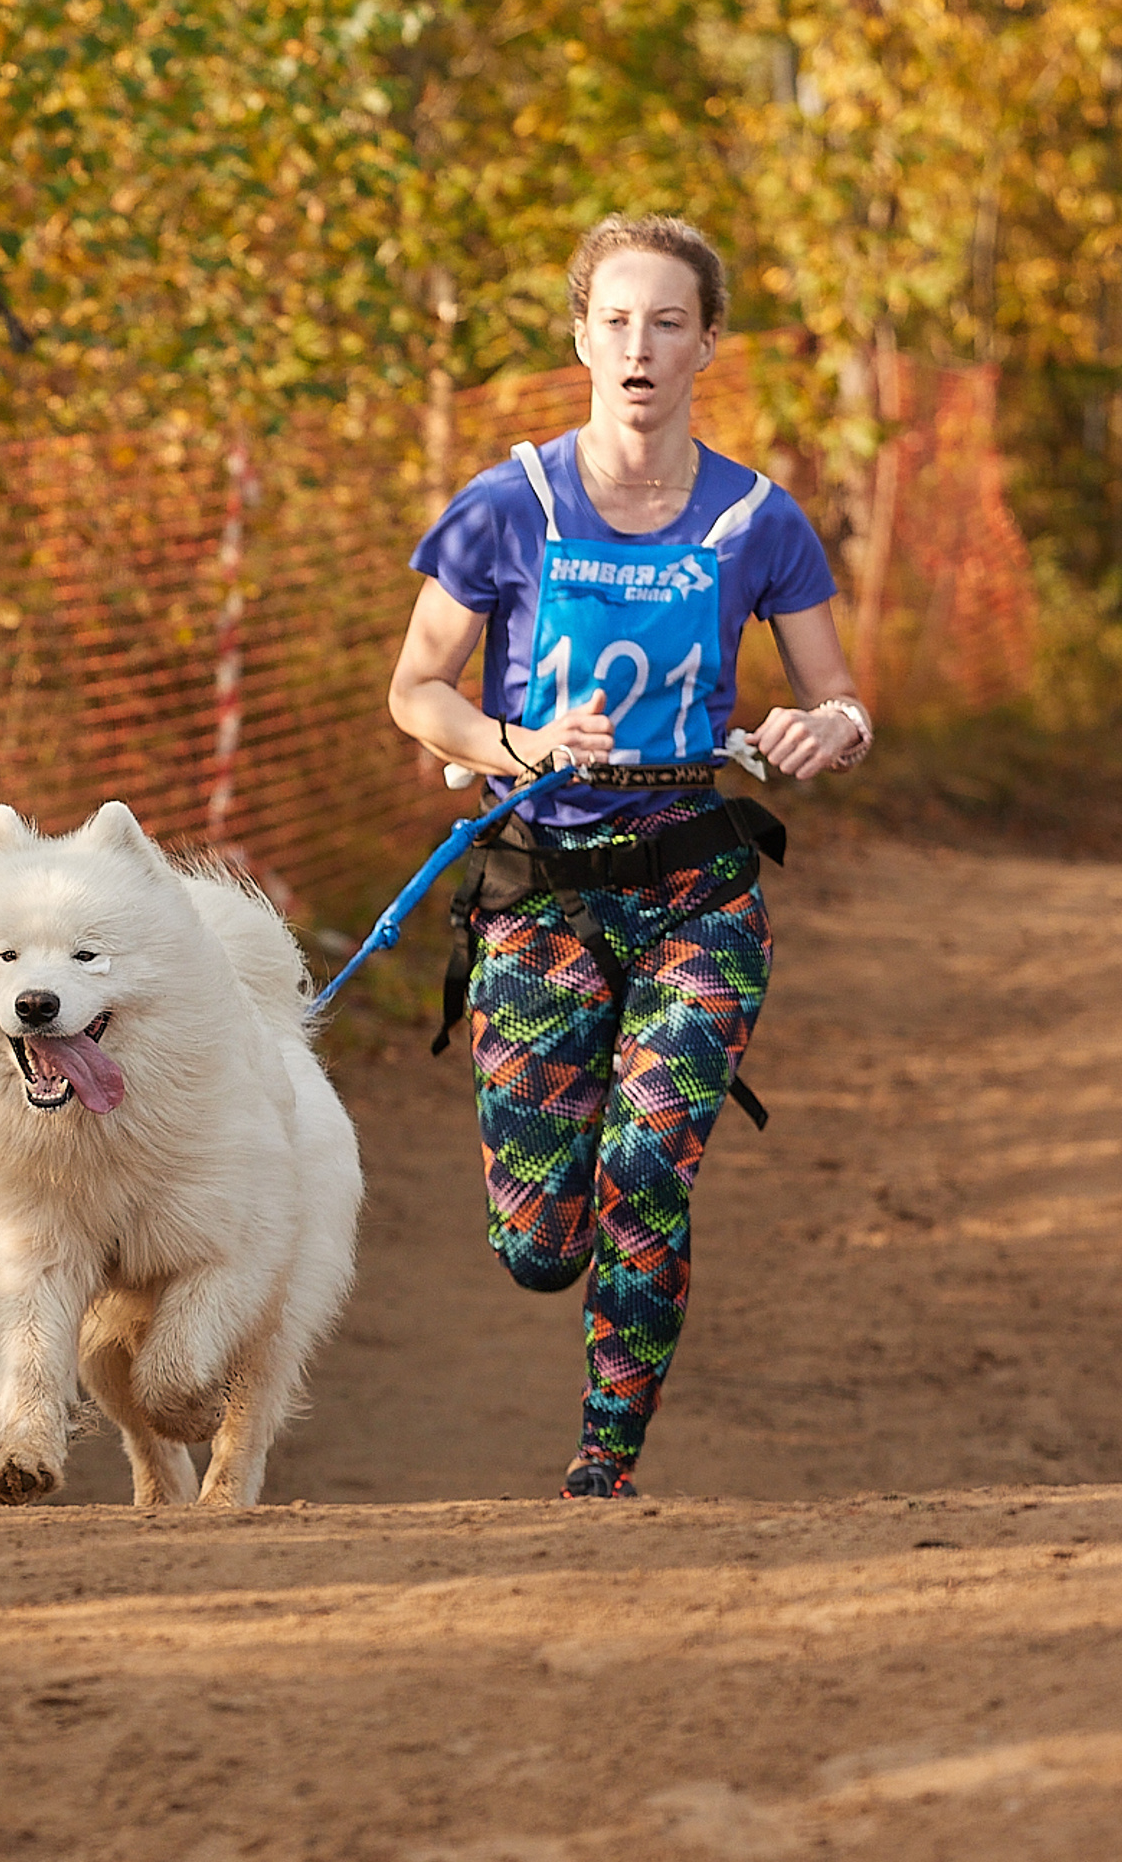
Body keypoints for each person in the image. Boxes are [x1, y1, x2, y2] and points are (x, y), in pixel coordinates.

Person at [386, 213, 870, 1500]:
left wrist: (825, 727)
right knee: (543, 1243)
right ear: (582, 337)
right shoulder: (509, 505)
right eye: (616, 320)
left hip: (698, 890)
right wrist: (512, 742)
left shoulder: (760, 521)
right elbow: (416, 689)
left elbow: (844, 703)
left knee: (649, 1164)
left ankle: (603, 1468)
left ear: (708, 341)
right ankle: (557, 1168)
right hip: (540, 896)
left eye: (668, 321)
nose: (640, 346)